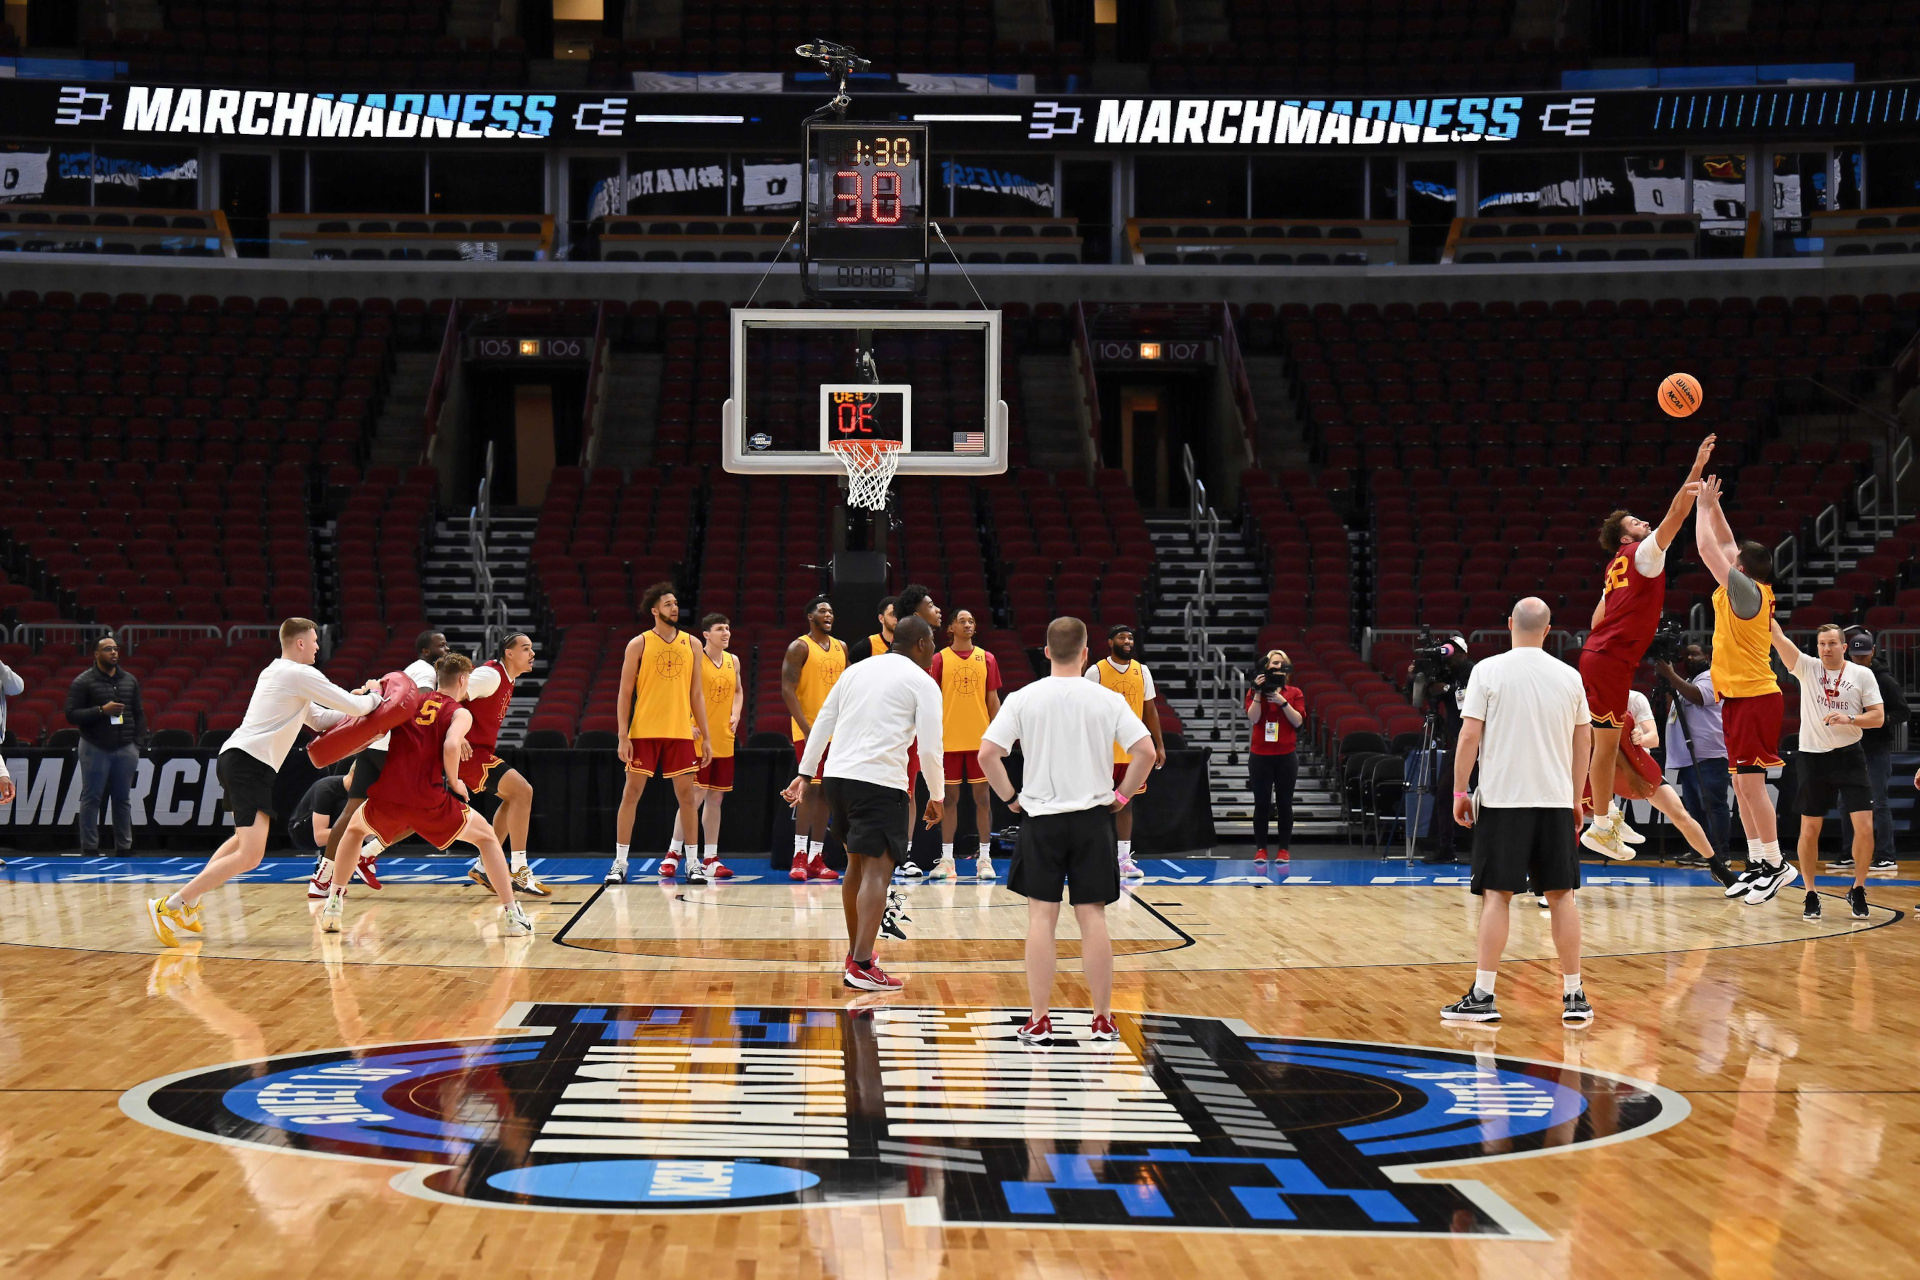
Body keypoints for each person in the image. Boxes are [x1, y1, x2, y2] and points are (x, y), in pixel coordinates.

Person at [146, 618, 382, 946]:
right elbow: (353, 705)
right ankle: (169, 906)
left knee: (241, 844)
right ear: (300, 643)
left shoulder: (279, 673)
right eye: (313, 641)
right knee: (252, 855)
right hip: (248, 763)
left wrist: (361, 712)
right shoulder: (298, 673)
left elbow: (320, 719)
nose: (317, 646)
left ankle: (188, 903)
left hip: (241, 760)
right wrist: (376, 697)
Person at [979, 616, 1154, 1046]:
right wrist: (1122, 797)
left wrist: (1010, 798)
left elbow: (988, 754)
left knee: (1042, 917)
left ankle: (1039, 1019)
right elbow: (1145, 751)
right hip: (1093, 820)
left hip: (1040, 820)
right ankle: (1102, 1020)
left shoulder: (1023, 698)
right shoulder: (1106, 699)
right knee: (1092, 917)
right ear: (1085, 653)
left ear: (1045, 651)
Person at [1441, 597, 1594, 1027]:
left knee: (1497, 896)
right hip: (1554, 800)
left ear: (1509, 624)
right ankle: (1574, 995)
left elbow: (1469, 735)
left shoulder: (1486, 671)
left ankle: (1484, 995)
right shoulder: (1570, 676)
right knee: (1562, 896)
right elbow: (1584, 742)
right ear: (1548, 630)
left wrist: (1459, 790)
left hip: (1503, 802)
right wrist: (1576, 797)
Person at [783, 614, 945, 993]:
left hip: (838, 778)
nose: (934, 651)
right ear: (920, 644)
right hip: (879, 782)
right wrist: (936, 795)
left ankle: (860, 956)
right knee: (877, 872)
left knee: (856, 866)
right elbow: (931, 747)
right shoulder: (922, 681)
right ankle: (860, 963)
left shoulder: (857, 670)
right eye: (932, 643)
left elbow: (823, 720)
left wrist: (807, 774)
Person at [321, 653, 530, 938]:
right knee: (487, 838)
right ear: (462, 679)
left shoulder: (407, 703)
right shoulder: (460, 712)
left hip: (389, 794)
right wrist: (455, 782)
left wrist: (368, 687)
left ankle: (333, 904)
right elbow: (452, 744)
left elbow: (373, 705)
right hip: (427, 798)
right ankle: (512, 915)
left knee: (355, 830)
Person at [1579, 435, 1715, 858]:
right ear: (1624, 538)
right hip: (1608, 660)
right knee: (1603, 747)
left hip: (1607, 657)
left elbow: (1596, 620)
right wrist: (1694, 470)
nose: (1644, 524)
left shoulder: (1614, 567)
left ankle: (1603, 818)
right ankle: (1600, 823)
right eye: (1636, 522)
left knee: (1608, 742)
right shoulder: (1642, 555)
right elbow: (1677, 512)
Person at [1693, 474, 1796, 905]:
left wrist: (1699, 509)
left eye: (1734, 559)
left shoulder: (1745, 591)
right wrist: (1714, 504)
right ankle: (1757, 860)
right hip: (1738, 696)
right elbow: (1727, 539)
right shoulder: (1747, 581)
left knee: (1751, 786)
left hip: (1756, 695)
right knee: (1740, 785)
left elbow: (1706, 548)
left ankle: (1776, 864)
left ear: (1740, 571)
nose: (1729, 557)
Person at [308, 629, 446, 899]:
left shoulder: (406, 672)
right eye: (442, 646)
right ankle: (365, 856)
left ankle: (321, 879)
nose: (447, 649)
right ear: (426, 651)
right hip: (393, 749)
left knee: (350, 813)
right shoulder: (426, 672)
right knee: (425, 811)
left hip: (375, 744)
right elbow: (423, 708)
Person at [1770, 620, 1881, 922]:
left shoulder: (1862, 674)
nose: (1827, 649)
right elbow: (1777, 637)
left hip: (1850, 756)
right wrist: (1756, 598)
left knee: (1866, 828)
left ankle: (1858, 888)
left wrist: (1850, 719)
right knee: (1810, 829)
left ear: (1844, 647)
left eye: (1832, 643)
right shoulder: (1806, 667)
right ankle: (1810, 892)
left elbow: (1879, 717)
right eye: (1822, 644)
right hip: (1813, 757)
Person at [609, 583, 713, 885]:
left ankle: (692, 863)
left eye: (676, 603)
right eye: (668, 604)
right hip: (643, 732)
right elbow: (625, 692)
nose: (674, 608)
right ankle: (620, 862)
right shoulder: (638, 644)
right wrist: (622, 735)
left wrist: (705, 736)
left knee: (687, 799)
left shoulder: (693, 644)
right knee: (631, 794)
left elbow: (697, 693)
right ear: (654, 610)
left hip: (680, 732)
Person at [459, 632, 551, 898]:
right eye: (525, 648)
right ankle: (520, 870)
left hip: (478, 751)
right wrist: (458, 735)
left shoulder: (506, 679)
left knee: (514, 799)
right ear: (509, 653)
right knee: (523, 791)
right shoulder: (491, 675)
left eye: (532, 648)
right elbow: (449, 696)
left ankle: (485, 866)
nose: (532, 654)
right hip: (468, 753)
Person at [1616, 688, 1738, 885]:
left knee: (1680, 815)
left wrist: (1640, 738)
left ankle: (1717, 865)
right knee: (1572, 809)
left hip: (1639, 766)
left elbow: (1653, 738)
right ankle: (1608, 822)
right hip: (1606, 767)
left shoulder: (1635, 698)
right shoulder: (1593, 700)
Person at [665, 613, 741, 883]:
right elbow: (680, 694)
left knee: (716, 798)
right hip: (698, 740)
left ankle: (711, 857)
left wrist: (736, 713)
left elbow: (738, 691)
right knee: (694, 797)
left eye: (728, 628)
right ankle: (674, 853)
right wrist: (687, 722)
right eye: (720, 629)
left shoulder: (733, 661)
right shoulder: (695, 660)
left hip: (723, 738)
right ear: (706, 634)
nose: (726, 633)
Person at [929, 609, 1003, 880]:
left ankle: (985, 859)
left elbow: (993, 700)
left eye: (972, 620)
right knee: (949, 800)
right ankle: (947, 860)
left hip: (979, 741)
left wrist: (999, 736)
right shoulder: (939, 659)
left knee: (982, 799)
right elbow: (931, 700)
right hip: (947, 741)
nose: (969, 624)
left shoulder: (988, 658)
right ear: (950, 628)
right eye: (962, 621)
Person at [1088, 624, 1166, 877]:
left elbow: (1150, 710)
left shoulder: (1142, 671)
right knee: (1095, 805)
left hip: (1131, 750)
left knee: (1126, 803)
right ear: (1110, 642)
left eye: (1131, 637)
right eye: (1122, 637)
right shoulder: (1095, 671)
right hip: (1102, 750)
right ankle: (1093, 855)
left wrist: (1159, 744)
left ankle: (1123, 859)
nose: (1128, 641)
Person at [781, 595, 848, 883]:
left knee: (827, 795)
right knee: (809, 789)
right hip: (808, 731)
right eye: (822, 610)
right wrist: (808, 729)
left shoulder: (841, 648)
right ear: (810, 617)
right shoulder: (799, 647)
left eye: (831, 611)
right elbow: (787, 690)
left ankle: (816, 858)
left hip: (838, 732)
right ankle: (798, 855)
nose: (828, 615)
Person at [66, 635, 145, 856]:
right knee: (91, 798)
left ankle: (124, 846)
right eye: (108, 649)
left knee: (122, 799)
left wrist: (137, 743)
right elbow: (71, 714)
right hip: (95, 746)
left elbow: (139, 713)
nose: (113, 652)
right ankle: (90, 847)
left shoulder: (129, 680)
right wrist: (102, 711)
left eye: (116, 649)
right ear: (96, 654)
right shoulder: (83, 681)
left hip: (125, 748)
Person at [1656, 641, 1732, 865]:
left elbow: (1698, 697)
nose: (1690, 659)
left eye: (1695, 654)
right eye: (1686, 656)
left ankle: (1721, 854)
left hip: (1709, 754)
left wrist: (1670, 675)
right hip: (1689, 757)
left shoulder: (1712, 676)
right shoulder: (1687, 681)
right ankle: (1699, 850)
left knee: (1713, 804)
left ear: (1707, 656)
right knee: (1693, 807)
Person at [1841, 627, 1904, 875]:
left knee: (1878, 802)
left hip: (1876, 749)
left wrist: (1880, 719)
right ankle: (1847, 854)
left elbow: (1903, 712)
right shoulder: (1845, 676)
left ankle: (1886, 855)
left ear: (1873, 652)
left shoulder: (1885, 680)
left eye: (1865, 655)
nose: (1861, 660)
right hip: (1851, 748)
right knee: (1845, 802)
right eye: (1856, 656)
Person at [1242, 646, 1302, 868]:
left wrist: (1281, 701)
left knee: (1285, 803)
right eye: (1272, 662)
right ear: (1265, 667)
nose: (1276, 666)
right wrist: (1258, 693)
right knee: (1262, 803)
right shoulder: (1253, 691)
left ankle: (1284, 849)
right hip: (1260, 755)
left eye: (1280, 663)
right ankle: (1261, 849)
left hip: (1286, 756)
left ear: (1286, 668)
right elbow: (1254, 719)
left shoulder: (1294, 692)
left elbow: (1298, 721)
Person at [291, 769, 351, 864]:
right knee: (347, 809)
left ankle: (348, 859)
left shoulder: (364, 790)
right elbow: (320, 837)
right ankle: (327, 861)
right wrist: (358, 832)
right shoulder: (325, 789)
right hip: (303, 831)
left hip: (332, 830)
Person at [855, 595, 899, 661]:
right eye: (892, 614)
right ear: (881, 618)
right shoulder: (868, 645)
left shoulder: (909, 645)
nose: (897, 618)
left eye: (900, 614)